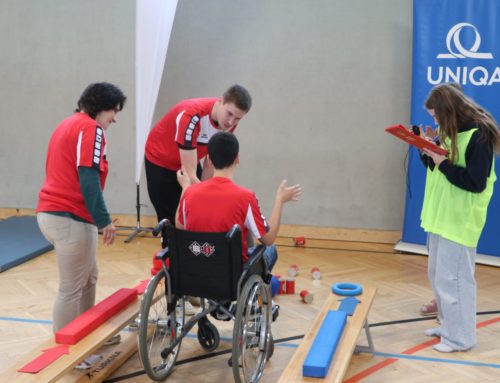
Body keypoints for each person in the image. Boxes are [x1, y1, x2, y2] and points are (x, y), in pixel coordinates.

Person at [36, 82, 126, 368]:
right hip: (69, 217)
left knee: (89, 277)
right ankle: (69, 355)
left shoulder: (68, 123)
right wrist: (104, 220)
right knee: (71, 288)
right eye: (114, 111)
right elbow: (87, 177)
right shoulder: (91, 129)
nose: (115, 118)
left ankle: (88, 333)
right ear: (101, 107)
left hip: (56, 214)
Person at [419, 83, 499, 352]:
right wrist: (427, 152)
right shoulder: (449, 130)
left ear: (448, 111)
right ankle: (448, 326)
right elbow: (439, 168)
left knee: (455, 280)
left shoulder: (480, 136)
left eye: (435, 116)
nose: (435, 121)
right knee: (437, 276)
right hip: (441, 216)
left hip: (460, 220)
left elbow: (475, 182)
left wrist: (442, 163)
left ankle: (461, 338)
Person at [175, 131, 302, 273]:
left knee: (244, 227)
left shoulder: (190, 193)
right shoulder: (245, 198)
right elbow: (269, 239)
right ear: (237, 158)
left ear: (209, 160)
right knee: (271, 249)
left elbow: (179, 227)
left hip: (196, 269)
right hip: (230, 274)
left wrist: (185, 188)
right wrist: (280, 200)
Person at [145, 84, 252, 225]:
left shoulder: (229, 122)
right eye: (229, 114)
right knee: (171, 221)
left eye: (238, 118)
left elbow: (210, 166)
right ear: (220, 101)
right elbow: (189, 176)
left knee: (196, 214)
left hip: (190, 159)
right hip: (160, 160)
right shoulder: (191, 116)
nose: (231, 122)